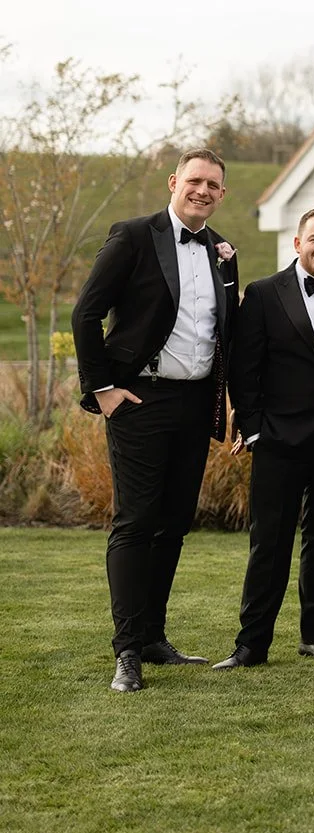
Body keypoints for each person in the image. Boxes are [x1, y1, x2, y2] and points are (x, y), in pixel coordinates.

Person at [71, 148, 238, 693]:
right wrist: (103, 389)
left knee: (174, 521)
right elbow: (86, 313)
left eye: (213, 184)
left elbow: (224, 329)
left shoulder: (222, 252)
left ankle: (152, 636)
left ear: (221, 193)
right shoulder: (134, 235)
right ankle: (126, 652)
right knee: (136, 522)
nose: (203, 191)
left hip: (194, 405)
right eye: (195, 181)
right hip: (138, 401)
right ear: (174, 182)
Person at [214, 208, 314, 670]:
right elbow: (245, 370)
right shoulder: (264, 293)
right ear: (298, 243)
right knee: (270, 544)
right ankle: (251, 646)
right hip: (280, 440)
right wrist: (256, 428)